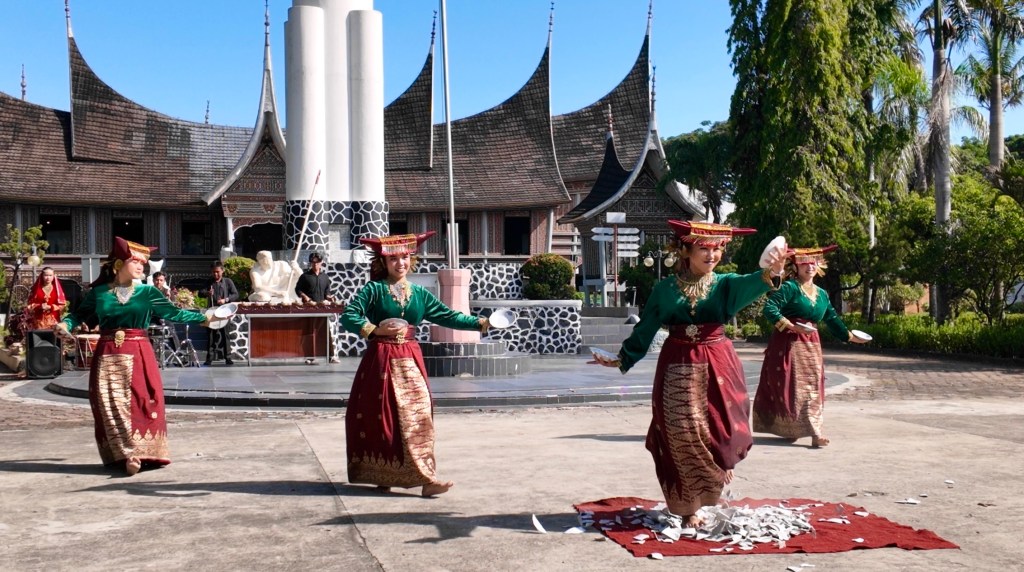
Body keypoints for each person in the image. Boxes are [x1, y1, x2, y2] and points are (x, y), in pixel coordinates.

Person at [591, 220, 786, 527]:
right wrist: (621, 359)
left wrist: (772, 272)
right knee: (679, 431)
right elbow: (646, 328)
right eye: (703, 249)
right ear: (685, 250)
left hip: (718, 362)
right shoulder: (664, 289)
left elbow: (754, 281)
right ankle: (688, 508)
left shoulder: (725, 284)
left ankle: (719, 465)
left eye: (717, 249)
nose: (712, 255)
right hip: (677, 362)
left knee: (719, 426)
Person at [340, 231, 490, 498]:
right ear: (383, 262)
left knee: (418, 415)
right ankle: (384, 473)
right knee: (383, 418)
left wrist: (480, 323)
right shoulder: (373, 290)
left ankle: (427, 478)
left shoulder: (419, 294)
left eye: (405, 257)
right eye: (394, 259)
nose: (400, 263)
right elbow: (349, 315)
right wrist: (374, 330)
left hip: (409, 357)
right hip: (381, 359)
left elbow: (447, 315)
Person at [56, 237, 217, 475]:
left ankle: (143, 452)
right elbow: (79, 315)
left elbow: (174, 313)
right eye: (136, 261)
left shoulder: (148, 292)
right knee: (109, 402)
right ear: (118, 264)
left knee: (142, 400)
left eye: (143, 263)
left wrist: (204, 318)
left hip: (139, 350)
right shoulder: (99, 293)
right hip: (107, 351)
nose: (142, 266)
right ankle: (125, 454)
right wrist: (65, 324)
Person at [752, 245, 867, 448]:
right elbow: (769, 308)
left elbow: (831, 317)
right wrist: (790, 326)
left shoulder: (822, 294)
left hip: (812, 346)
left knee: (813, 386)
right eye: (804, 263)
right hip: (787, 343)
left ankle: (816, 432)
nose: (810, 266)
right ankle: (793, 428)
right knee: (792, 387)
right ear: (796, 267)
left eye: (813, 263)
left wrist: (849, 336)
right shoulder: (789, 288)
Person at [205, 261, 239, 366]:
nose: (215, 274)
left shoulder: (228, 281)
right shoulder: (208, 282)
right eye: (213, 272)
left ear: (222, 271)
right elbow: (200, 293)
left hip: (224, 312)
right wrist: (207, 293)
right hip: (212, 312)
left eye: (217, 272)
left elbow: (235, 294)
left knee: (225, 335)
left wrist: (226, 300)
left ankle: (228, 358)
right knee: (211, 336)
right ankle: (209, 358)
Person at [25, 266, 66, 330]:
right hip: (38, 322)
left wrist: (51, 307)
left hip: (54, 321)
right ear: (42, 276)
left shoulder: (57, 290)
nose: (48, 277)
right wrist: (39, 306)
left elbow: (62, 305)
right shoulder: (36, 290)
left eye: (50, 275)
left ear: (53, 276)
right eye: (46, 275)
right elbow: (29, 305)